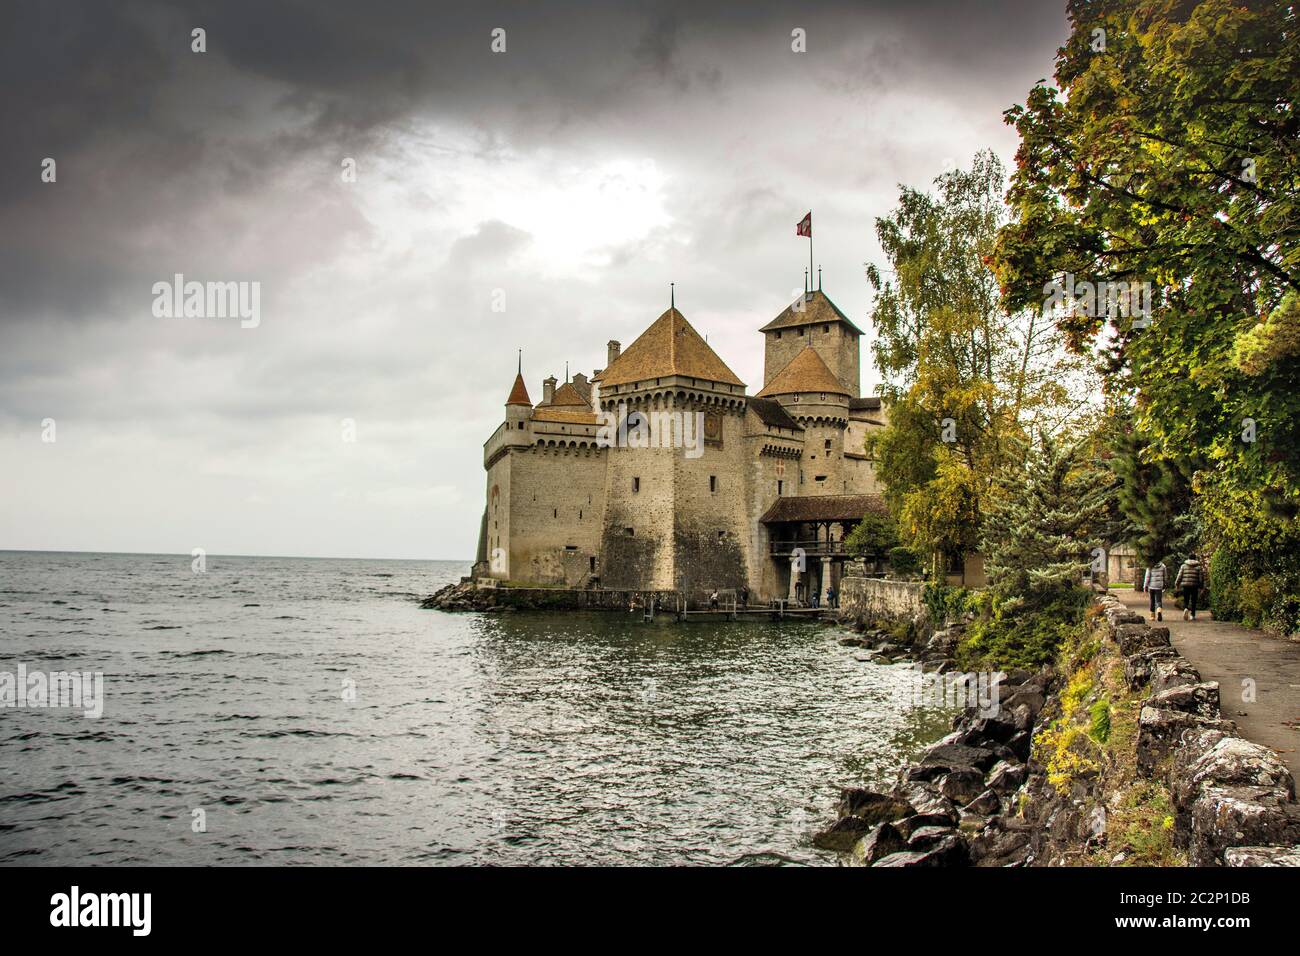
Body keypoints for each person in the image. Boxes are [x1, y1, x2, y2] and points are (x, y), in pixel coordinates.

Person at [1174, 556, 1206, 621]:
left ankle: (1186, 608)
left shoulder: (1183, 566)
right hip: (1195, 586)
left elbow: (1179, 576)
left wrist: (1177, 584)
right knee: (1194, 600)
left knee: (1186, 599)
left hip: (1185, 585)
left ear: (1188, 558)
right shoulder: (1198, 567)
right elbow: (1201, 578)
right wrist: (1201, 586)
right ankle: (1192, 615)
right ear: (1195, 559)